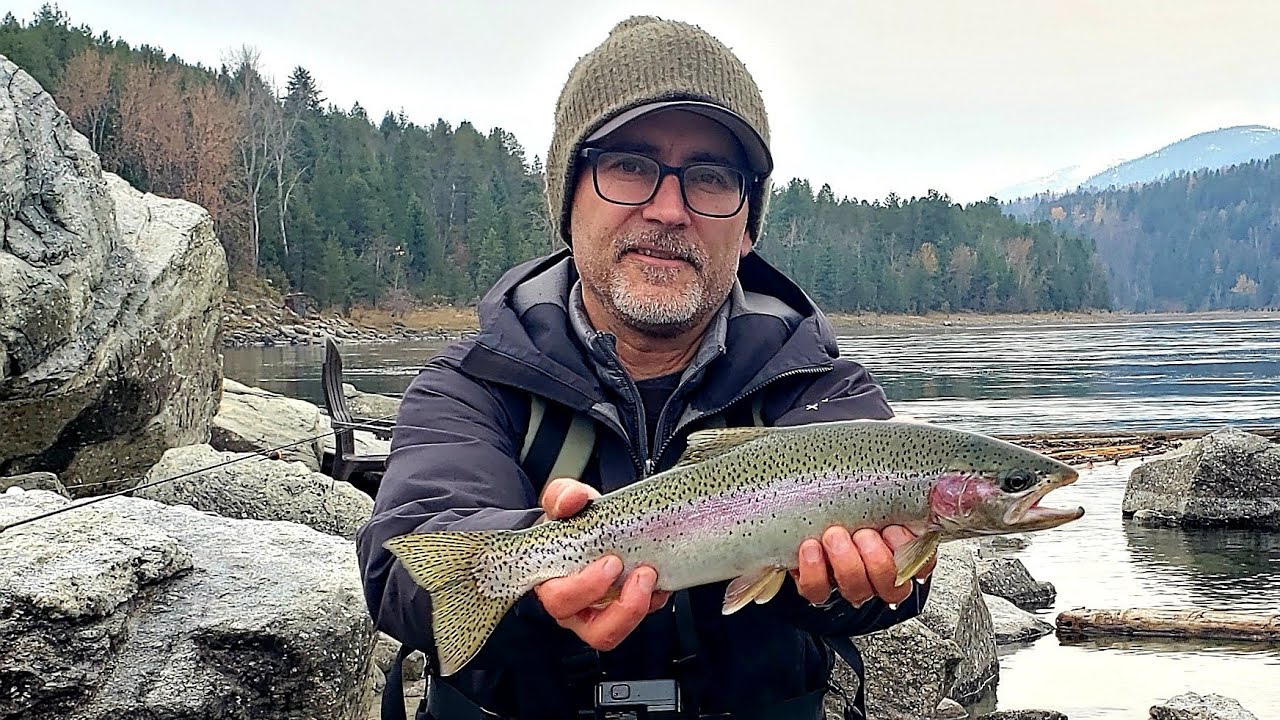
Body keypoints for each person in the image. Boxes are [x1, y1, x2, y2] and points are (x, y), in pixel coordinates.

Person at [356, 15, 936, 720]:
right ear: (568, 199)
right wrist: (538, 580)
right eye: (629, 166)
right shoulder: (471, 382)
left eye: (711, 177)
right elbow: (405, 558)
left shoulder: (818, 389)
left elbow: (886, 594)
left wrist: (856, 584)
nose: (668, 209)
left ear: (748, 224)